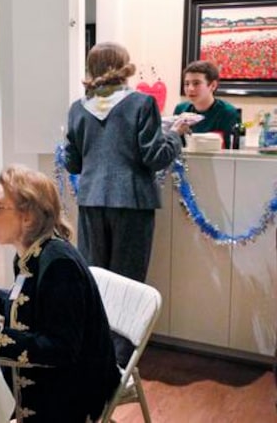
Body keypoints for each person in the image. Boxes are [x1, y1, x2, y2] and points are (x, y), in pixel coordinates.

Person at [0, 165, 120, 423]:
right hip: (51, 381)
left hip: (71, 395)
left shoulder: (59, 264)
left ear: (28, 217)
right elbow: (27, 308)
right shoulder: (31, 253)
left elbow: (61, 349)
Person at [64, 42, 186, 366]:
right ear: (123, 65)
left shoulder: (78, 108)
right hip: (131, 201)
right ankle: (119, 362)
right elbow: (155, 157)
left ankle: (93, 352)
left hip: (91, 200)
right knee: (128, 284)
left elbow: (73, 164)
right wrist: (176, 134)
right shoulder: (142, 104)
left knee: (95, 280)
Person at [174, 60, 240, 149]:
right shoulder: (180, 109)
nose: (190, 88)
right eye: (186, 84)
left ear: (213, 85)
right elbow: (174, 146)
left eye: (196, 83)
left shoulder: (228, 113)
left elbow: (230, 151)